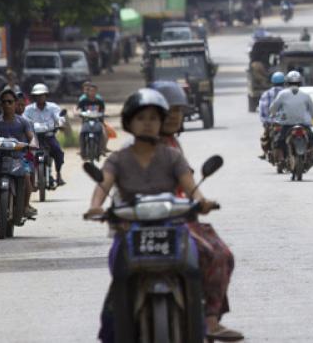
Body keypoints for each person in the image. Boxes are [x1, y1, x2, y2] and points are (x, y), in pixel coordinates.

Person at [83, 89, 226, 342]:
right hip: (129, 230)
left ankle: (200, 329)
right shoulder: (118, 159)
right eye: (141, 117)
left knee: (193, 270)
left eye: (153, 118)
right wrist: (96, 207)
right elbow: (103, 185)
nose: (147, 123)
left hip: (173, 227)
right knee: (120, 280)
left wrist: (202, 202)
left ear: (160, 123)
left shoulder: (172, 156)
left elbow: (191, 186)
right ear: (129, 123)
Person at [148, 81, 243, 341]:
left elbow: (189, 185)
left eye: (179, 111)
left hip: (179, 221)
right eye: (169, 110)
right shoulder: (134, 148)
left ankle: (210, 320)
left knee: (221, 254)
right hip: (142, 224)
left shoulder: (174, 146)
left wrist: (201, 200)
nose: (175, 116)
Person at [0, 89, 38, 219]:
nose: (7, 104)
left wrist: (32, 143)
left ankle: (26, 205)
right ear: (0, 104)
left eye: (10, 101)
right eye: (4, 102)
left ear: (15, 103)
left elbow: (31, 136)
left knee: (27, 175)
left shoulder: (23, 122)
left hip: (18, 157)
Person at [268, 71, 313, 164]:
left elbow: (273, 108)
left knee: (278, 142)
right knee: (312, 140)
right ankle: (310, 156)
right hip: (303, 124)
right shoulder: (306, 95)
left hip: (287, 125)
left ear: (287, 82)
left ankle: (281, 160)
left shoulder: (282, 94)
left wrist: (272, 113)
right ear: (300, 82)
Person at [24, 83, 66, 187]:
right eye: (37, 95)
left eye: (42, 95)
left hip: (49, 136)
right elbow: (24, 119)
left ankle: (59, 174)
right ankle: (29, 177)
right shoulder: (28, 109)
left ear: (46, 95)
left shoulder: (53, 107)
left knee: (58, 151)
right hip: (34, 138)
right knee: (25, 154)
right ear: (34, 97)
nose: (40, 97)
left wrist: (60, 124)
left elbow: (59, 117)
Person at [258, 72, 286, 158]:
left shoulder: (266, 94)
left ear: (272, 82)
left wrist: (265, 121)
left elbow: (263, 109)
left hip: (271, 123)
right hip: (286, 122)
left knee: (265, 138)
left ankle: (265, 152)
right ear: (284, 82)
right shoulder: (288, 93)